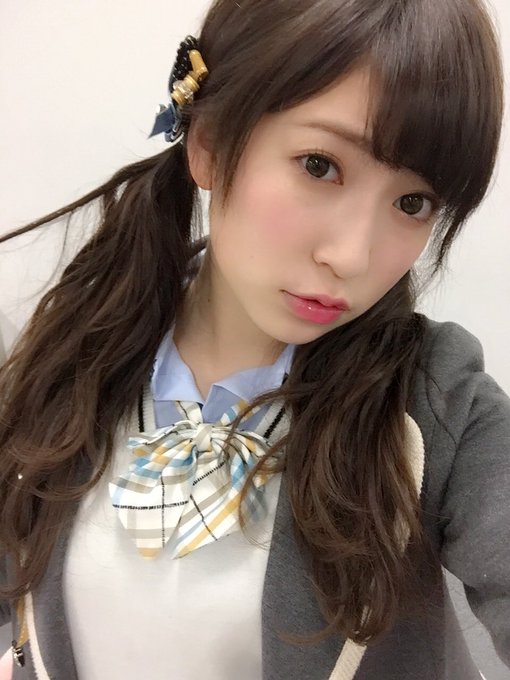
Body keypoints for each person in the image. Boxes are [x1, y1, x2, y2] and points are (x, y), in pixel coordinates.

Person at [0, 0, 509, 678]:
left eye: (412, 203)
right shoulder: (77, 347)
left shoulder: (434, 404)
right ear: (209, 143)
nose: (352, 256)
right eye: (320, 165)